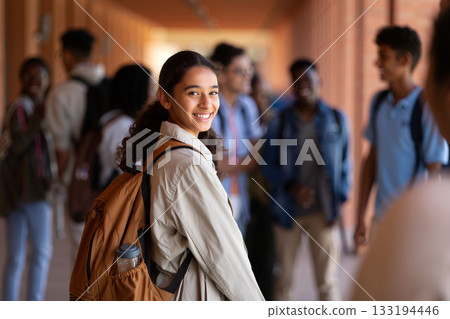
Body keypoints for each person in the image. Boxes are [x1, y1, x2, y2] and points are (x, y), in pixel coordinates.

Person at [116, 50, 264, 300]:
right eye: (194, 92)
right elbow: (223, 256)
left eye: (213, 92)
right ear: (165, 99)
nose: (207, 103)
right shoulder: (188, 166)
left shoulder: (163, 147)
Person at [353, 9, 450, 300]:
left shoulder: (426, 109)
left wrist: (422, 220)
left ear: (405, 60)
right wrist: (361, 216)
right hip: (384, 216)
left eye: (383, 55)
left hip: (415, 221)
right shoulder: (379, 102)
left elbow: (435, 171)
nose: (377, 63)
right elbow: (371, 159)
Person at [262, 59, 351, 301]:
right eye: (298, 81)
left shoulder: (337, 119)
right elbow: (266, 165)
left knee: (328, 283)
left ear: (319, 81)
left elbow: (345, 164)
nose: (304, 86)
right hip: (286, 211)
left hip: (323, 213)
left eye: (308, 79)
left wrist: (338, 202)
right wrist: (290, 186)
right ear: (292, 85)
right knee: (284, 283)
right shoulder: (279, 122)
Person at [45, 29, 106, 259]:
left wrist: (60, 183)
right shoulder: (110, 86)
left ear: (67, 56)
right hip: (109, 181)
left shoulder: (61, 94)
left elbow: (61, 151)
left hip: (78, 183)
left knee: (81, 255)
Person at [0, 57, 55, 300]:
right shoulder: (22, 107)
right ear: (21, 79)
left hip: (24, 190)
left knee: (19, 256)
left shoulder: (37, 106)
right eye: (29, 76)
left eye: (40, 76)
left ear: (48, 80)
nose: (35, 81)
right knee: (37, 252)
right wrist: (38, 118)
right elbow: (20, 144)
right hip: (28, 191)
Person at [209, 43, 263, 236]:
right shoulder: (208, 108)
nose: (248, 75)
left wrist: (228, 163)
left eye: (249, 70)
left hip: (241, 198)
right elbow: (216, 165)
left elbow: (257, 156)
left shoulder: (248, 106)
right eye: (240, 71)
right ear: (221, 74)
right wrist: (244, 160)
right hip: (213, 202)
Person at [98, 64, 152, 188]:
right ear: (137, 89)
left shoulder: (114, 118)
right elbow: (131, 169)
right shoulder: (121, 125)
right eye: (151, 87)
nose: (154, 94)